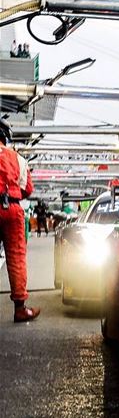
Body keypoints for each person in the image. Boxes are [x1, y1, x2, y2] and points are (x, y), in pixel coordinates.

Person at [0, 120, 39, 322]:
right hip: (11, 208)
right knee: (16, 257)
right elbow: (27, 189)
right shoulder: (18, 159)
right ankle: (20, 308)